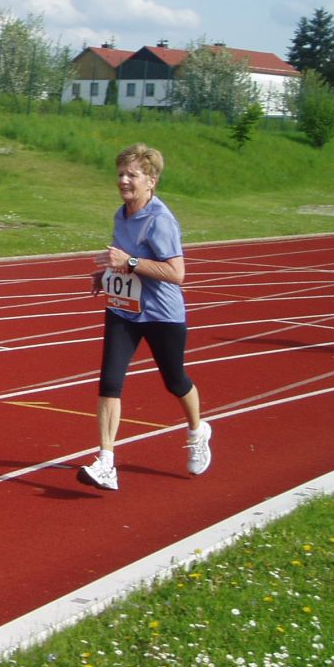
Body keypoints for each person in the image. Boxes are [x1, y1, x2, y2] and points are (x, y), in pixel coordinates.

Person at [78, 142, 212, 491]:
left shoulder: (160, 220)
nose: (123, 180)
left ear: (151, 181)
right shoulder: (120, 215)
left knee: (175, 380)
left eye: (132, 175)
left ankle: (197, 431)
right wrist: (107, 274)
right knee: (109, 382)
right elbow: (122, 260)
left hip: (161, 314)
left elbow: (177, 273)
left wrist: (131, 262)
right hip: (124, 309)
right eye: (121, 174)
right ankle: (106, 461)